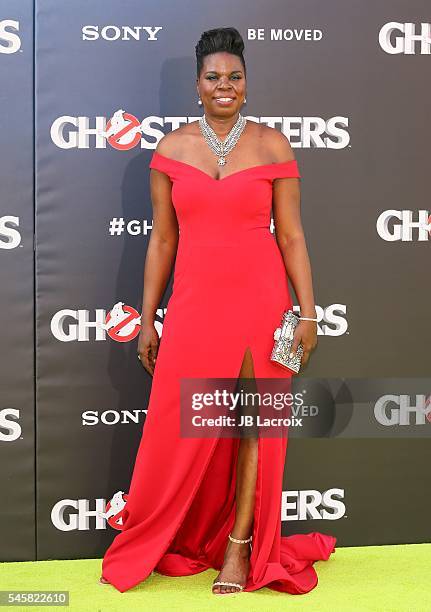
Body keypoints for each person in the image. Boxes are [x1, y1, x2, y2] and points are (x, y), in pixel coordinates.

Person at [100, 26, 336, 596]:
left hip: (261, 299)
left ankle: (240, 547)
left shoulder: (273, 145)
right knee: (187, 424)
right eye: (213, 77)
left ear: (246, 85)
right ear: (197, 85)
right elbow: (161, 240)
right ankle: (176, 532)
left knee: (254, 423)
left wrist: (308, 314)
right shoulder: (172, 149)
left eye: (235, 77)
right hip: (196, 305)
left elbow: (294, 238)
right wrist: (149, 318)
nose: (224, 86)